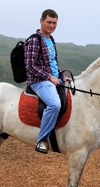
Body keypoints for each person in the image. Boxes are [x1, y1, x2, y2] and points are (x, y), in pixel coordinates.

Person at [24, 9, 69, 154]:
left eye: (54, 23)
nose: (51, 25)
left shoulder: (51, 40)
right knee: (54, 104)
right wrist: (49, 77)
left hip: (53, 80)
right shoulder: (34, 40)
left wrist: (62, 76)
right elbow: (30, 66)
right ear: (41, 21)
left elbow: (53, 62)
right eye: (49, 22)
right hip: (38, 81)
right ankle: (42, 140)